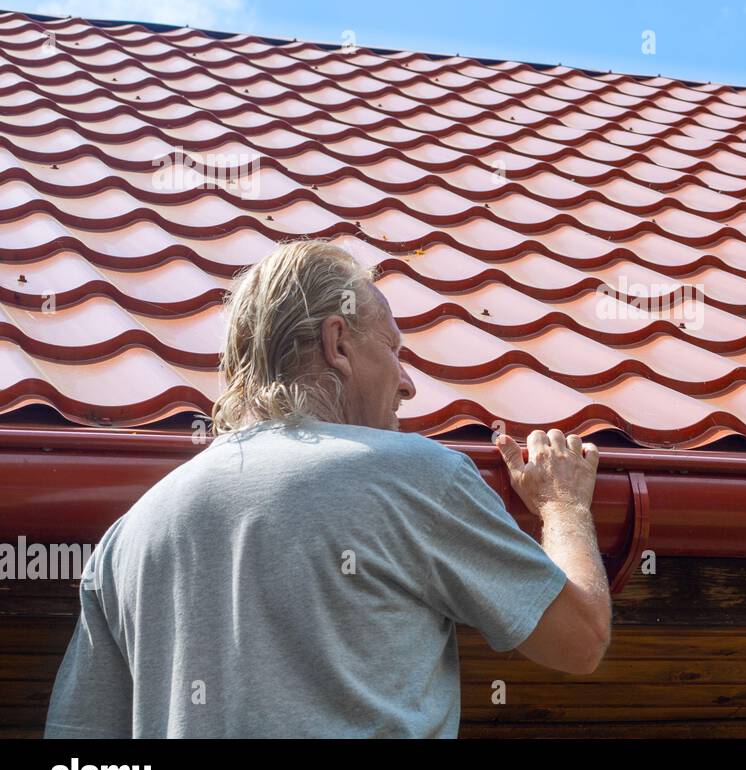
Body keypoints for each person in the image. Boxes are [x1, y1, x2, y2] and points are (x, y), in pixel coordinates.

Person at [44, 239, 611, 737]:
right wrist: (562, 504)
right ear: (337, 342)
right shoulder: (416, 477)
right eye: (393, 350)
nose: (408, 384)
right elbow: (581, 639)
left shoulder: (131, 535)